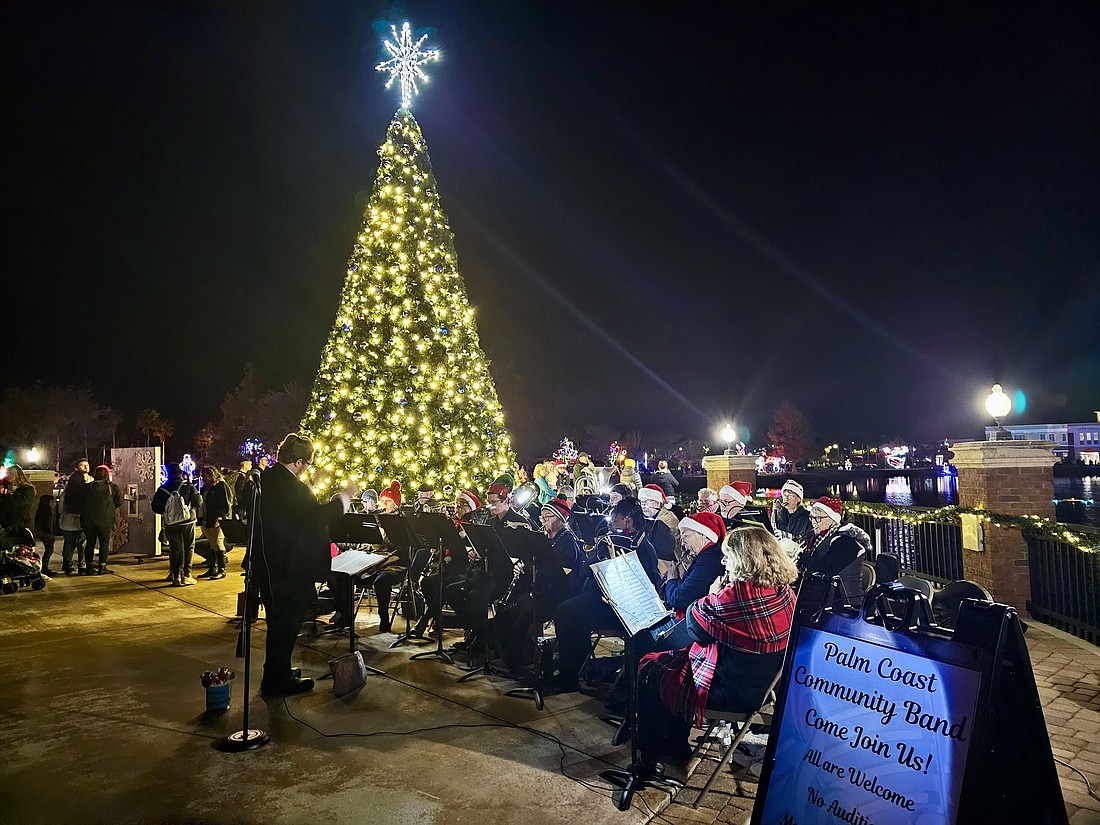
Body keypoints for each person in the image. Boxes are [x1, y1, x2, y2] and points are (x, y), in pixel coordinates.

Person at [637, 525, 797, 784]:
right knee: (677, 663)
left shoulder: (736, 596)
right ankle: (675, 747)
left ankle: (654, 756)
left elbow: (695, 627)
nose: (723, 561)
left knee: (653, 670)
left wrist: (712, 594)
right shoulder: (784, 592)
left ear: (745, 559)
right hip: (765, 687)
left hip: (732, 693)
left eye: (728, 555)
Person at [252, 433, 356, 697]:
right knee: (285, 625)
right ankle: (276, 682)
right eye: (308, 463)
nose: (308, 468)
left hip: (273, 565)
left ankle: (278, 671)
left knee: (279, 625)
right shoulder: (292, 488)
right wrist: (343, 499)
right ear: (298, 462)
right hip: (288, 569)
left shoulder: (268, 479)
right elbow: (315, 517)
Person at [552, 497, 661, 693]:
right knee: (566, 610)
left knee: (568, 613)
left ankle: (573, 673)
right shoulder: (610, 541)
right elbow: (587, 570)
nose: (611, 523)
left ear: (628, 520)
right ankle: (578, 670)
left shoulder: (644, 548)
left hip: (625, 609)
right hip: (602, 599)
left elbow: (649, 582)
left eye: (615, 519)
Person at [798, 497, 871, 608]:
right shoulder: (818, 537)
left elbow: (827, 568)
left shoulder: (847, 540)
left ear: (832, 519)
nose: (813, 522)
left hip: (844, 604)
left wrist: (798, 555)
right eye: (812, 517)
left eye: (818, 518)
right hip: (821, 597)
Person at [151, 463, 202, 586]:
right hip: (187, 521)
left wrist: (167, 512)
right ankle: (186, 575)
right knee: (188, 546)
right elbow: (198, 501)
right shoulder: (187, 485)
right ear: (180, 471)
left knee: (175, 548)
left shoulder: (163, 488)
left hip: (171, 523)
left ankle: (175, 576)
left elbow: (155, 506)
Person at [82, 465, 122, 575]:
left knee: (90, 542)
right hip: (105, 519)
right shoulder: (112, 487)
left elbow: (81, 502)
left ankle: (89, 567)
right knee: (104, 543)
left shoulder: (88, 487)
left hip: (89, 519)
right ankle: (102, 566)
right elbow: (119, 502)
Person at [197, 466, 232, 579]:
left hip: (216, 518)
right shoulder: (207, 487)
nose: (203, 479)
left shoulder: (221, 485)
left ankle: (222, 569)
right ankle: (212, 568)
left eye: (205, 476)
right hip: (207, 517)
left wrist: (220, 516)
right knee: (212, 543)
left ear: (212, 475)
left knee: (218, 542)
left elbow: (226, 503)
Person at [771, 479, 813, 547]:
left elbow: (807, 539)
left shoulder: (807, 517)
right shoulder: (780, 516)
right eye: (784, 495)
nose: (786, 499)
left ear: (799, 499)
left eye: (790, 496)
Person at [0, 464, 36, 533]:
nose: (8, 475)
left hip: (20, 524)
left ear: (17, 475)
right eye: (6, 473)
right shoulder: (4, 488)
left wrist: (9, 495)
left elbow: (23, 503)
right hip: (5, 524)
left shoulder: (27, 489)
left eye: (10, 473)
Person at [35, 494, 60, 577]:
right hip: (46, 534)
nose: (55, 503)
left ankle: (45, 567)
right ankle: (44, 567)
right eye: (52, 501)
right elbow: (47, 524)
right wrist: (50, 533)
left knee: (49, 550)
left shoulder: (42, 509)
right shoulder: (47, 511)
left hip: (43, 533)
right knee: (49, 550)